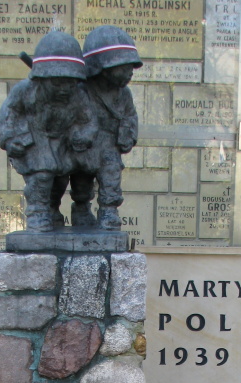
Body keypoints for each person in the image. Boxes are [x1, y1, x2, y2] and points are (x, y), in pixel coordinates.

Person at [0, 31, 98, 232]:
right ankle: (38, 211)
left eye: (69, 82)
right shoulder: (25, 90)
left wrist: (84, 136)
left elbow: (89, 120)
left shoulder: (79, 95)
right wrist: (10, 139)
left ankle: (79, 208)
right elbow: (8, 114)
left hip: (67, 142)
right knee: (42, 174)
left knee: (80, 171)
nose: (63, 89)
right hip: (38, 139)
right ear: (42, 78)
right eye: (57, 83)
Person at [81, 25, 143, 230]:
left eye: (131, 68)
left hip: (108, 145)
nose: (129, 73)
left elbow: (130, 116)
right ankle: (80, 208)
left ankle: (108, 210)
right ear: (102, 67)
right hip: (82, 145)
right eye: (124, 67)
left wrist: (127, 133)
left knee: (111, 172)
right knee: (78, 181)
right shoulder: (81, 91)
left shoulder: (124, 95)